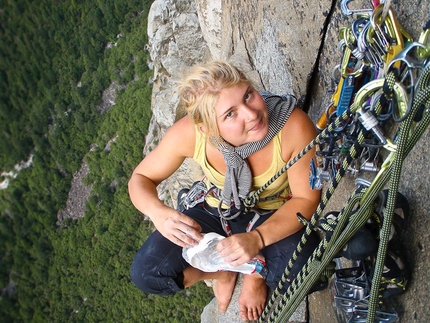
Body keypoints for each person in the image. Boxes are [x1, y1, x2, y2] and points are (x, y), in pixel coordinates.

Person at [128, 60, 321, 322]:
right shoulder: (190, 134)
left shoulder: (292, 127)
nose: (251, 114)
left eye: (248, 95)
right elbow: (140, 178)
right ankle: (223, 271)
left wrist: (257, 239)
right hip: (220, 207)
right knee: (148, 273)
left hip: (273, 211)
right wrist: (158, 213)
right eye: (230, 114)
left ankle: (254, 273)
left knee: (307, 272)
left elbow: (306, 198)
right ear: (207, 128)